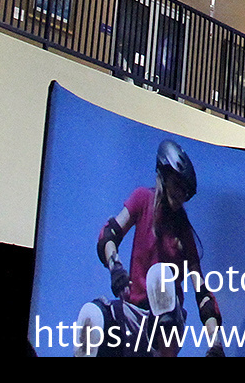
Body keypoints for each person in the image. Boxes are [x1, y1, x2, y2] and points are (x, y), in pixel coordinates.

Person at [80, 140, 223, 356]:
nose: (180, 194)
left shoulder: (183, 231)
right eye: (177, 184)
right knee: (91, 317)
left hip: (167, 327)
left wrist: (216, 344)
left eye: (185, 191)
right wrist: (115, 266)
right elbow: (110, 234)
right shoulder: (142, 200)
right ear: (163, 175)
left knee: (161, 277)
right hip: (134, 316)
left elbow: (203, 294)